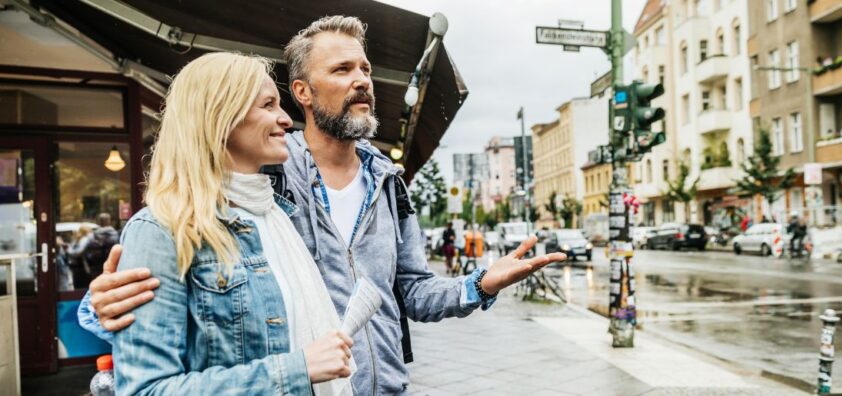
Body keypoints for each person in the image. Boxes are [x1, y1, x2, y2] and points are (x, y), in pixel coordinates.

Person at [79, 16, 566, 395]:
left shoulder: (387, 183)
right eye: (342, 69)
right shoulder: (266, 181)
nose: (363, 81)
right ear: (303, 93)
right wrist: (100, 301)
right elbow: (185, 256)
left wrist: (479, 284)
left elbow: (410, 292)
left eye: (366, 69)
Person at [93, 52, 356, 395]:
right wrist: (297, 368)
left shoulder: (277, 214)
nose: (285, 120)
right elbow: (146, 389)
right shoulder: (161, 230)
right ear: (221, 116)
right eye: (268, 105)